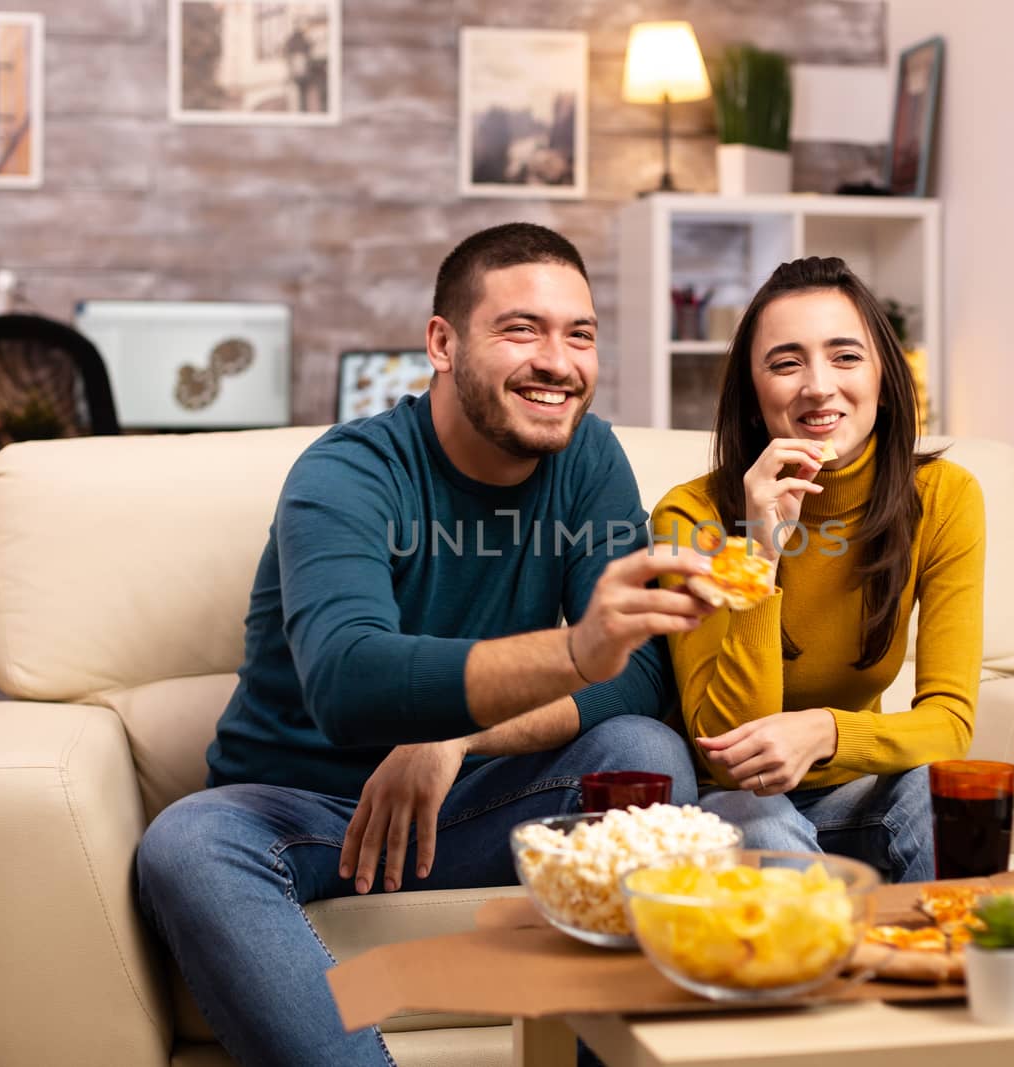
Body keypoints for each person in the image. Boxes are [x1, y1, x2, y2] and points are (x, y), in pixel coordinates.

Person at [135, 222, 715, 1067]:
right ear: (441, 343)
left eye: (579, 334)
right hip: (308, 814)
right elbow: (347, 678)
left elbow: (637, 678)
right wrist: (575, 651)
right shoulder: (348, 473)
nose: (558, 361)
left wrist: (458, 737)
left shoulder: (588, 457)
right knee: (187, 842)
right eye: (521, 329)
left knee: (643, 751)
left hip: (476, 802)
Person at [652, 255, 986, 884]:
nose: (818, 385)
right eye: (786, 363)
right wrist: (760, 548)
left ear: (884, 374)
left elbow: (950, 723)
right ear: (754, 399)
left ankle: (943, 971)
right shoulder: (690, 514)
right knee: (761, 819)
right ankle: (825, 979)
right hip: (731, 805)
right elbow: (726, 751)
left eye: (845, 356)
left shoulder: (945, 497)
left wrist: (826, 734)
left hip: (854, 793)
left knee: (935, 796)